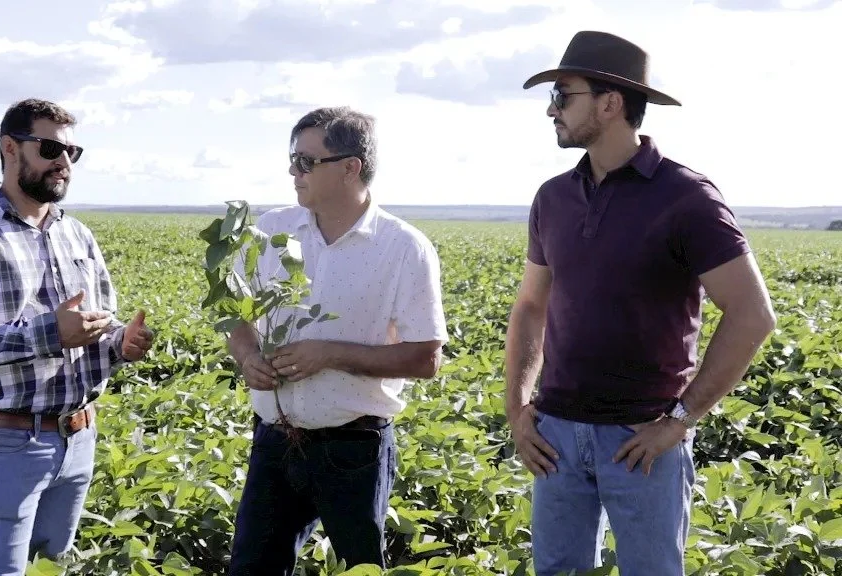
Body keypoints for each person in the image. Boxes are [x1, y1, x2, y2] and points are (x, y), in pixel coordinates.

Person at [505, 31, 777, 575]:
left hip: (642, 441)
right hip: (554, 435)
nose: (551, 110)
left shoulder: (686, 197)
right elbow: (532, 304)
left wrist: (680, 420)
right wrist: (518, 409)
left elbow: (752, 315)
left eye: (563, 95)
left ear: (610, 103)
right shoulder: (553, 197)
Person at [0, 98, 155, 576]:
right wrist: (48, 334)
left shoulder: (78, 235)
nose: (64, 162)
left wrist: (120, 344)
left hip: (79, 436)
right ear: (10, 148)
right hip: (8, 441)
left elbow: (97, 325)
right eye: (50, 148)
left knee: (52, 565)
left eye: (73, 152)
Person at [226, 106, 449, 575]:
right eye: (293, 158)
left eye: (307, 161)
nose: (293, 170)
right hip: (274, 439)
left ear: (351, 167)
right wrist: (248, 358)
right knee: (251, 568)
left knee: (360, 567)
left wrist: (331, 354)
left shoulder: (404, 247)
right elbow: (234, 315)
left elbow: (426, 358)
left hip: (354, 448)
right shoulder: (269, 231)